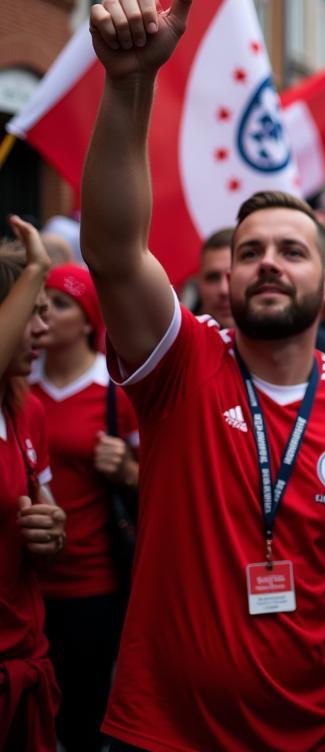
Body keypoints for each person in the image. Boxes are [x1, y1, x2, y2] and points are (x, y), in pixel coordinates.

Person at [81, 0, 325, 750]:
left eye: (291, 252)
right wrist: (130, 84)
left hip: (309, 739)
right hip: (158, 734)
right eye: (249, 251)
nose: (266, 264)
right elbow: (116, 253)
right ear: (223, 280)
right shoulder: (183, 363)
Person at [29, 264, 139, 752]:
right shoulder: (17, 386)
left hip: (93, 587)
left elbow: (157, 478)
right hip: (23, 589)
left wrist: (128, 471)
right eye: (42, 302)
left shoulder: (116, 393)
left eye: (63, 303)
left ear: (90, 321)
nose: (47, 312)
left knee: (83, 719)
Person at [0, 216, 66, 750]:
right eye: (33, 313)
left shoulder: (29, 410)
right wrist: (37, 264)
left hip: (26, 657)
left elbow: (47, 530)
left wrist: (52, 532)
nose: (45, 329)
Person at [194, 227, 233, 327]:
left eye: (232, 276)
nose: (224, 290)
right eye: (213, 278)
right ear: (199, 283)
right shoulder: (179, 341)